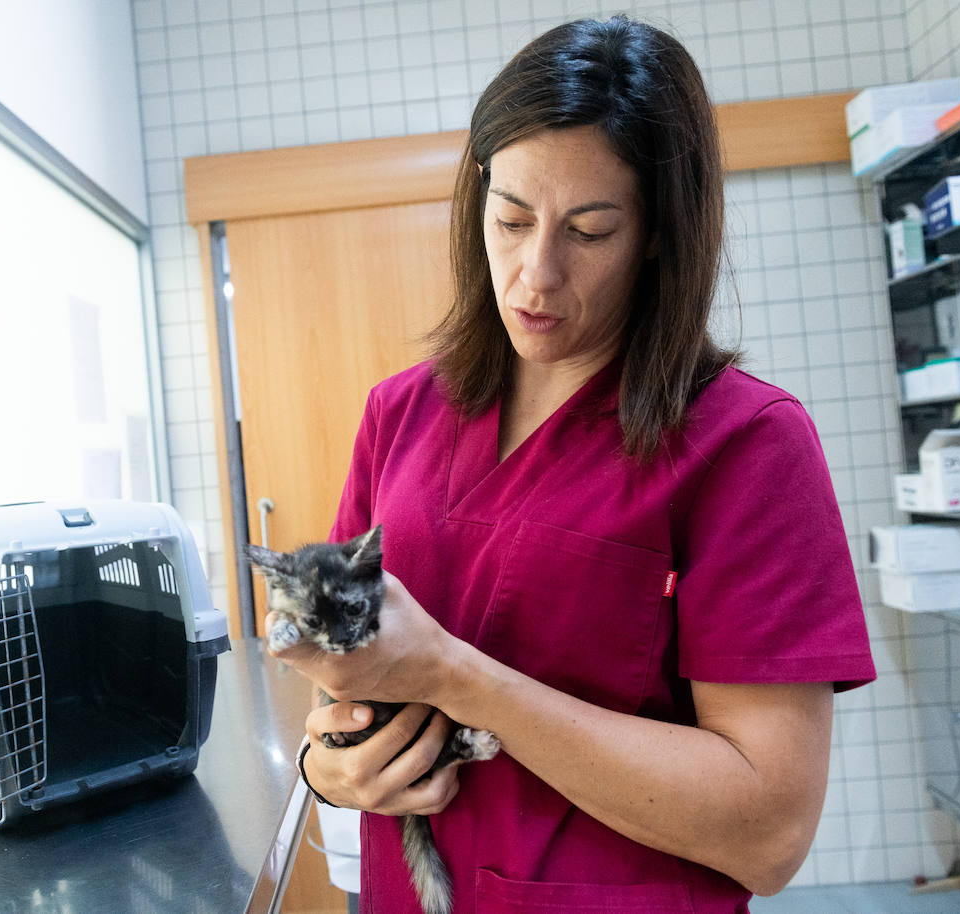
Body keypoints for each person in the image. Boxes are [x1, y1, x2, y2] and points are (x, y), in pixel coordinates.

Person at [268, 15, 876, 913]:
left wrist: (456, 676)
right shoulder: (402, 414)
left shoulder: (746, 444)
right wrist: (331, 765)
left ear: (661, 233)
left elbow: (769, 832)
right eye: (509, 220)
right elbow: (344, 666)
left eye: (589, 231)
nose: (534, 275)